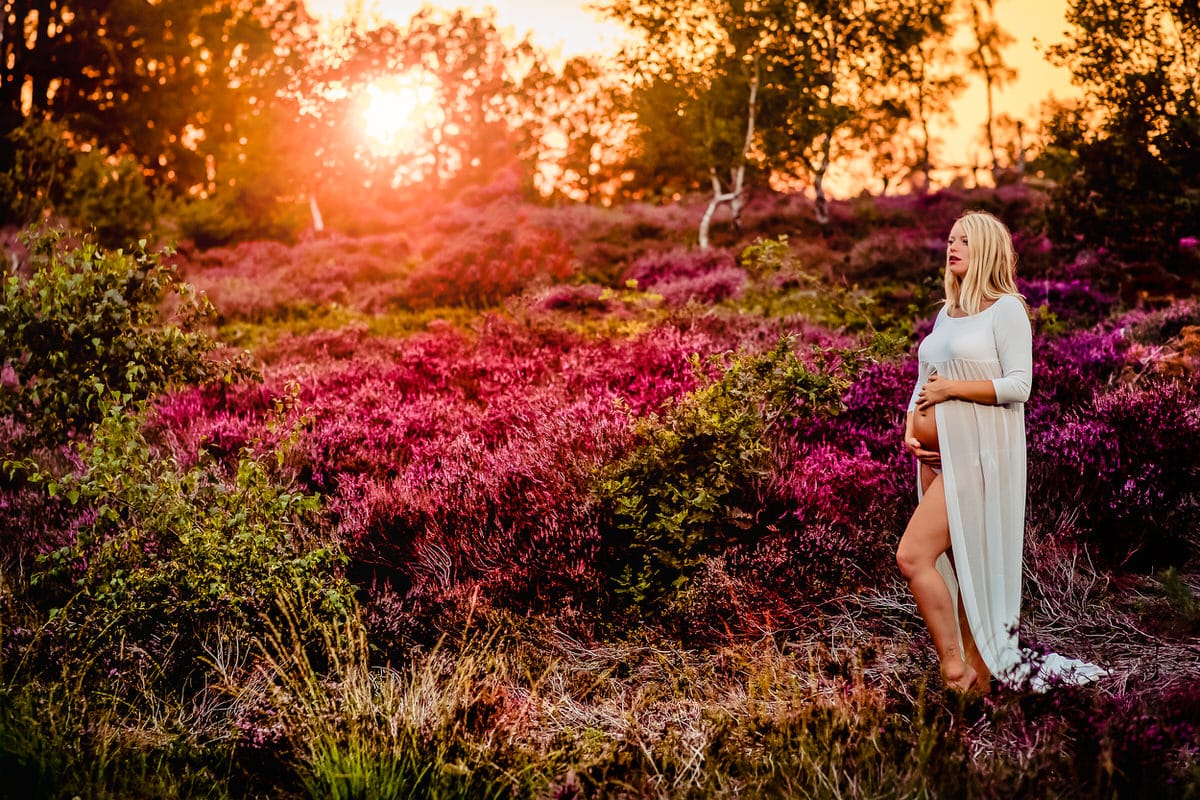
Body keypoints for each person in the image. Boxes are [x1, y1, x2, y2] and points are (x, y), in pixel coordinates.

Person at [896, 210, 1106, 694]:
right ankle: (979, 686)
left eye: (964, 241)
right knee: (961, 574)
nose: (952, 247)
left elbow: (1019, 386)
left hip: (976, 459)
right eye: (950, 239)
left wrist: (952, 390)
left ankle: (955, 671)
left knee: (913, 556)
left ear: (987, 248)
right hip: (934, 458)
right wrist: (911, 428)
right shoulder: (946, 314)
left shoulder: (1006, 309)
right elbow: (925, 380)